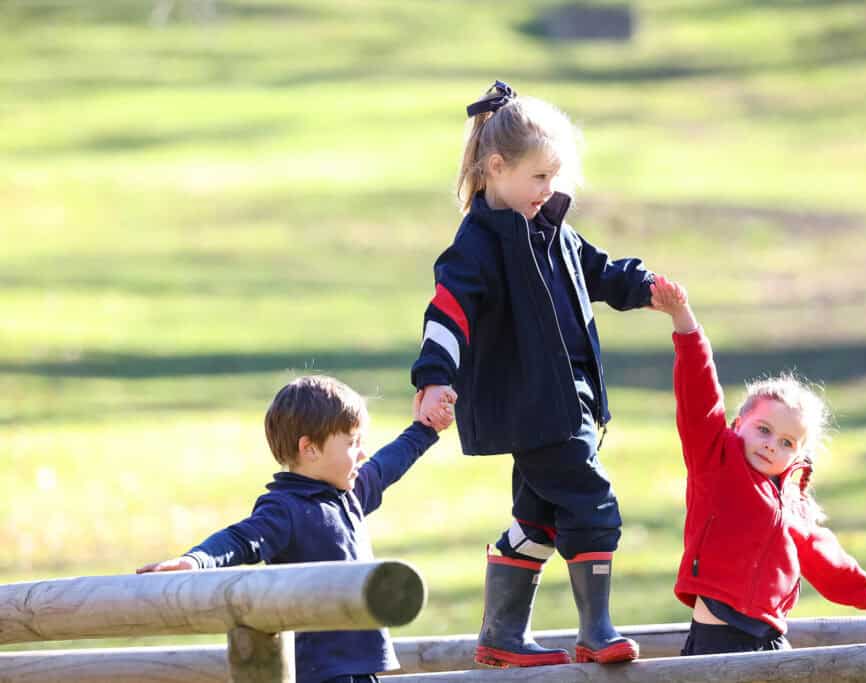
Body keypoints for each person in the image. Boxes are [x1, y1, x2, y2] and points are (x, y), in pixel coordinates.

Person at [411, 80, 655, 668]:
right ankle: (596, 632)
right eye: (539, 178)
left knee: (538, 521)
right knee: (593, 504)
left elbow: (596, 271)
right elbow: (448, 311)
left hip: (566, 400)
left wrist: (643, 286)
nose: (549, 191)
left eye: (555, 178)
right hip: (535, 407)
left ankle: (501, 636)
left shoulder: (551, 229)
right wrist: (434, 377)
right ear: (496, 168)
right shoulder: (477, 244)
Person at [137, 376, 450, 683]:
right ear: (309, 448)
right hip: (319, 671)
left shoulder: (348, 495)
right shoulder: (285, 509)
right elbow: (241, 538)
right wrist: (195, 561)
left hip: (359, 667)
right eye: (352, 443)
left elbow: (386, 465)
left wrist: (425, 428)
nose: (362, 454)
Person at [647, 275, 866, 655]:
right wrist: (685, 322)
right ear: (739, 425)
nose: (770, 445)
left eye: (786, 442)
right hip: (719, 636)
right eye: (763, 430)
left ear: (797, 453)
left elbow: (821, 555)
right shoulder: (716, 461)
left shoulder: (791, 501)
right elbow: (699, 394)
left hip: (769, 637)